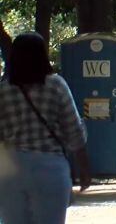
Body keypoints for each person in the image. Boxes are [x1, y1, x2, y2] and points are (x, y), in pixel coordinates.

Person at [0, 33, 91, 224]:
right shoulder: (56, 85)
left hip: (9, 170)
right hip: (50, 168)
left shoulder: (3, 90)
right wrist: (84, 168)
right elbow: (73, 130)